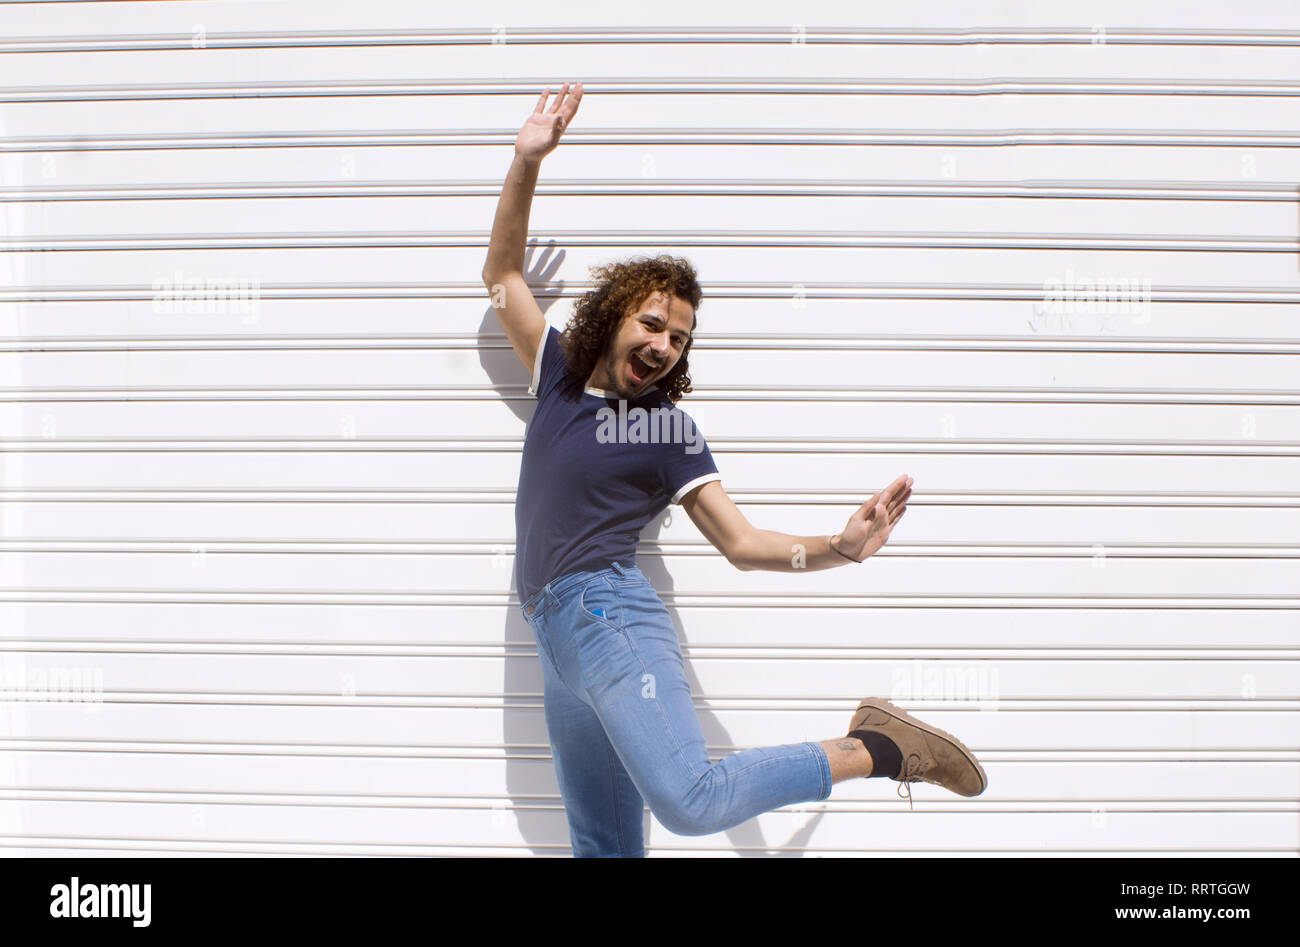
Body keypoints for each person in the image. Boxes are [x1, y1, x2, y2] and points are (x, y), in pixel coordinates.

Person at [482, 82, 987, 857]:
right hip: (553, 636)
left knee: (690, 798)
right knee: (601, 844)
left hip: (608, 618)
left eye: (680, 338)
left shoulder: (667, 430)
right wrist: (526, 162)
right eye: (652, 322)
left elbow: (743, 541)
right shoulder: (556, 374)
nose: (663, 344)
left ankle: (878, 748)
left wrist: (838, 546)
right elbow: (503, 276)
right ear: (614, 314)